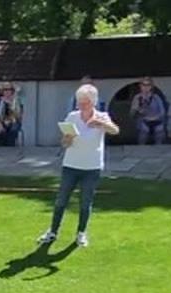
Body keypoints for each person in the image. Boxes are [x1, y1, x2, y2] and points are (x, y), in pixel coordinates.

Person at [39, 83, 117, 250]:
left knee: (85, 202)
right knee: (61, 200)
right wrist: (67, 139)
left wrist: (102, 125)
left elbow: (115, 131)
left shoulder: (102, 116)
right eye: (79, 102)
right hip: (71, 165)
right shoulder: (72, 116)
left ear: (93, 102)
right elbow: (64, 143)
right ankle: (52, 231)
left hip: (92, 166)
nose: (81, 105)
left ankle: (81, 233)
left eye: (85, 102)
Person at [131, 77, 168, 145]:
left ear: (151, 86)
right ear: (140, 86)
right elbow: (132, 114)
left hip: (157, 119)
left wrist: (157, 117)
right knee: (144, 130)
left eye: (148, 85)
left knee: (159, 130)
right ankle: (141, 148)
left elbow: (162, 111)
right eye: (143, 85)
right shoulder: (137, 98)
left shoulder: (156, 97)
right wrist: (137, 110)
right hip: (143, 120)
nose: (146, 87)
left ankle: (159, 148)